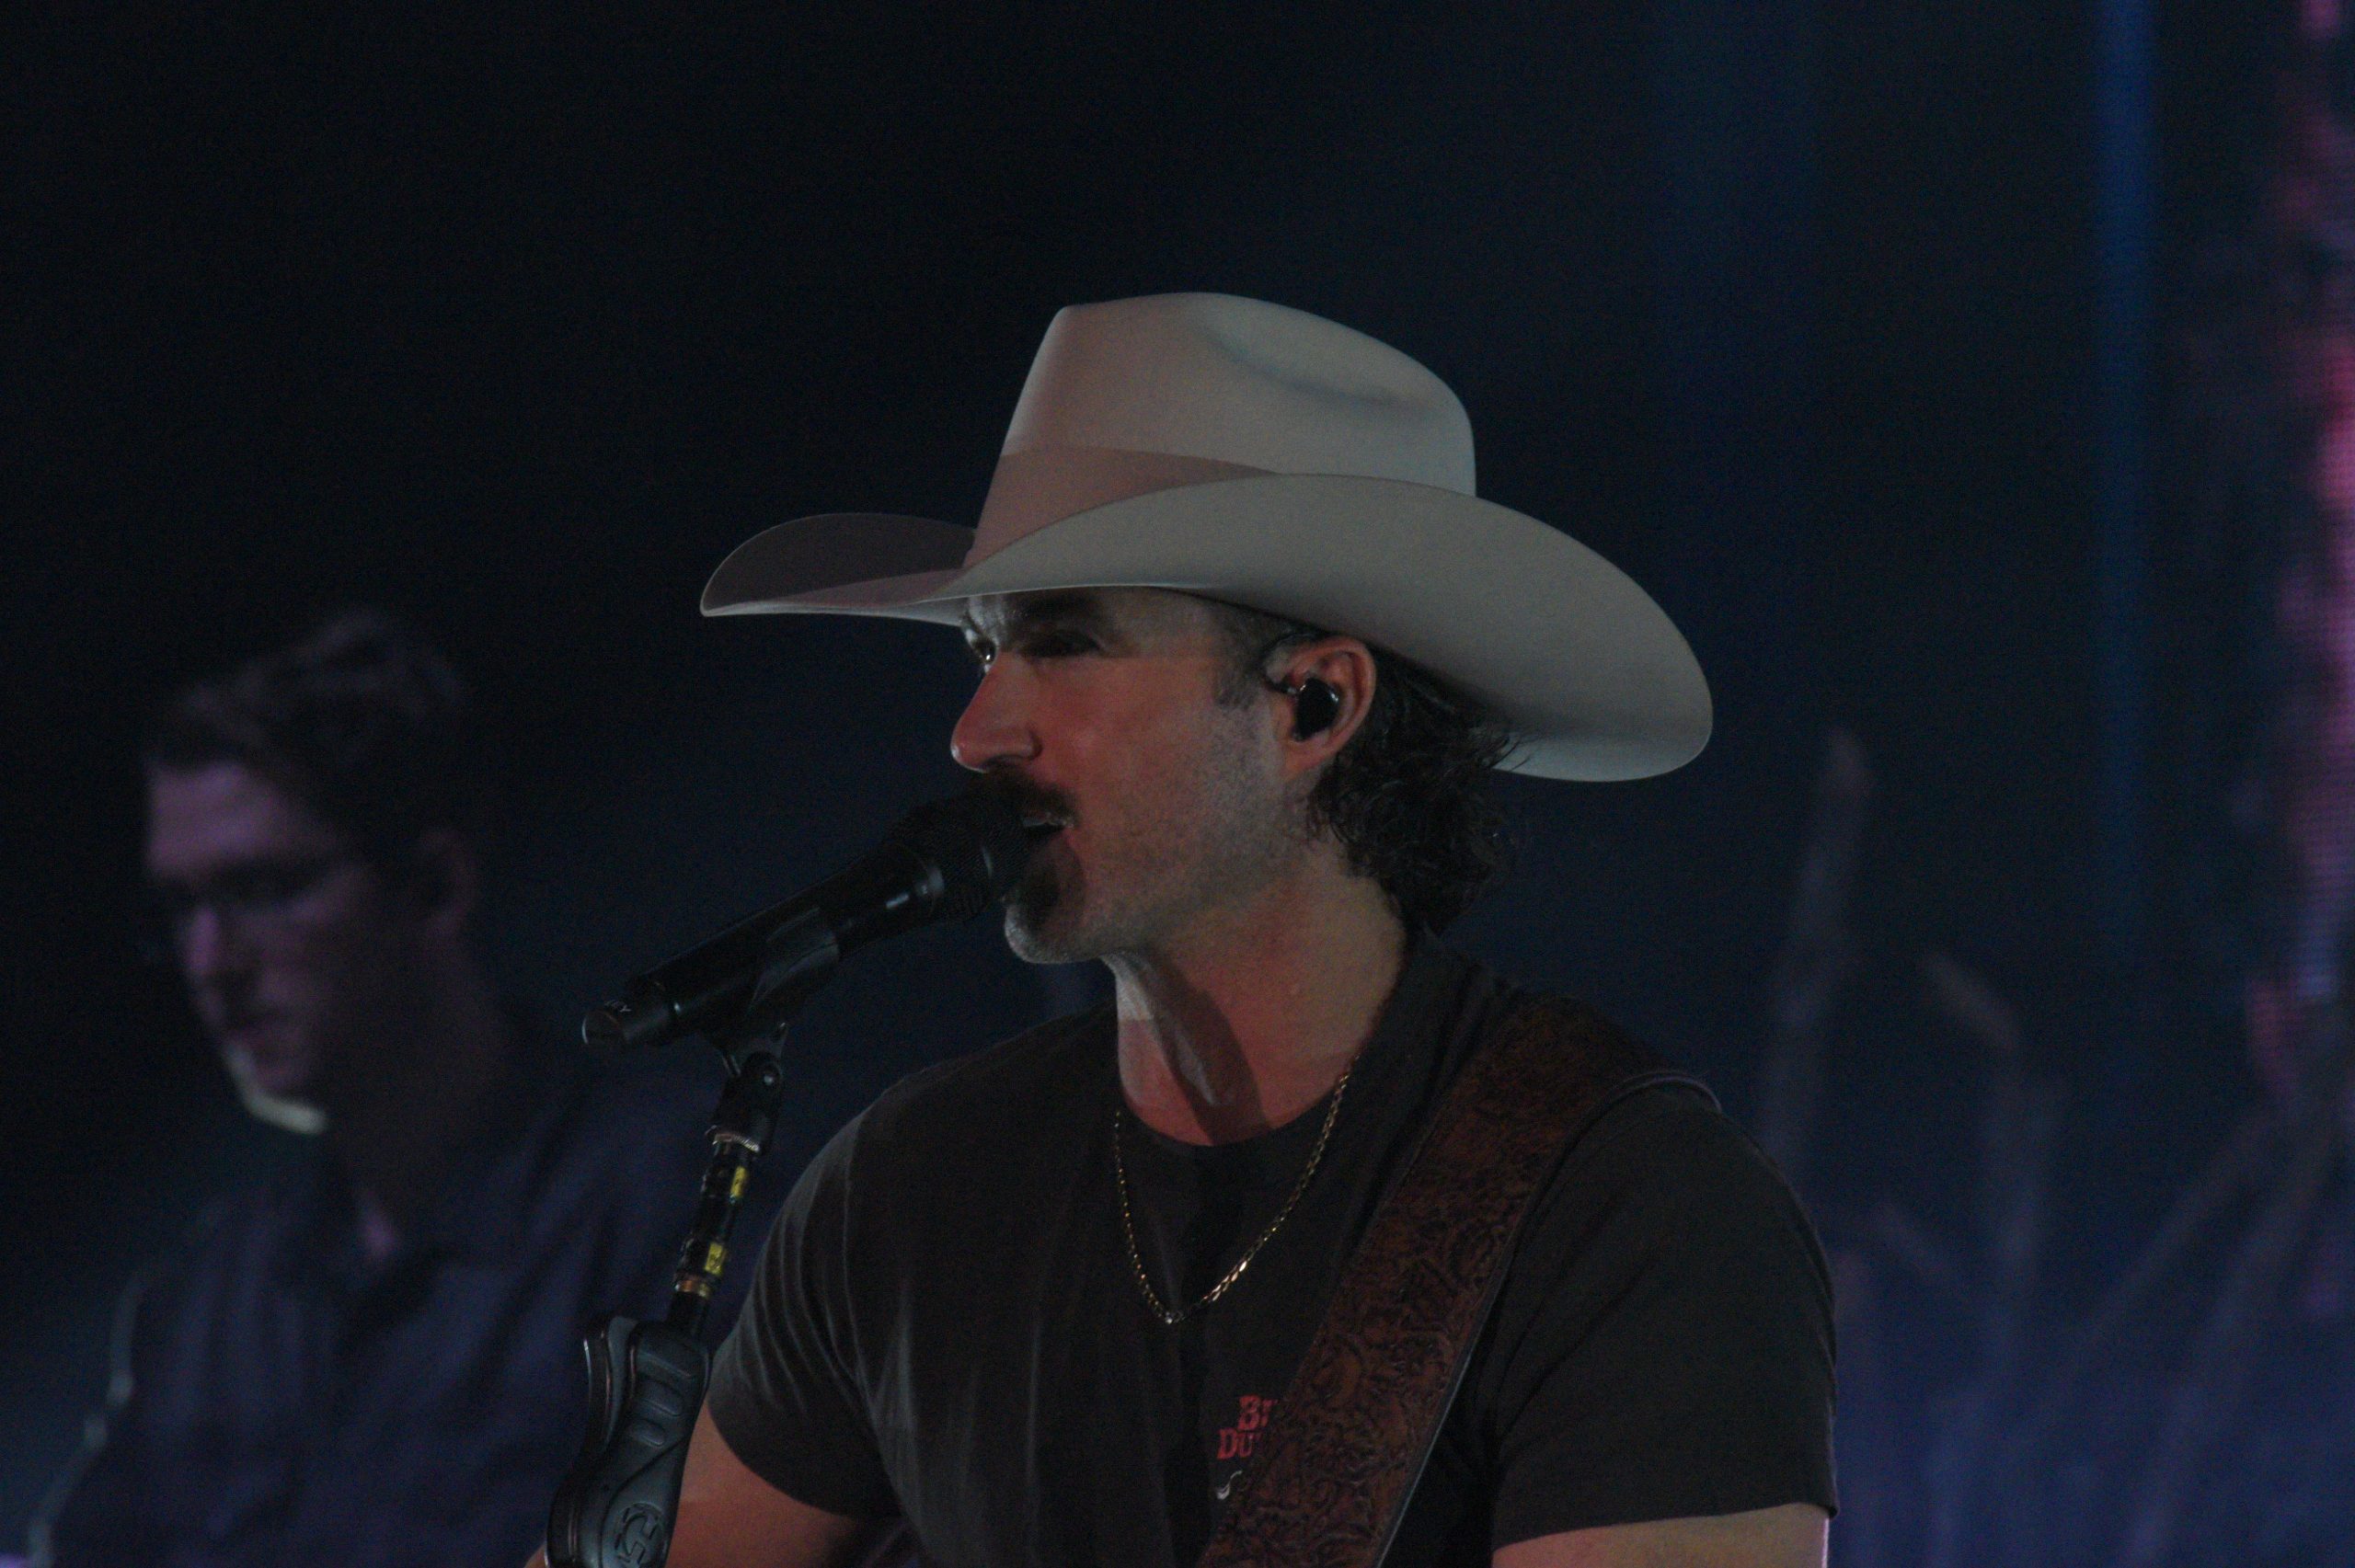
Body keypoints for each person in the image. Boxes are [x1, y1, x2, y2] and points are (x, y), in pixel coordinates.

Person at [638, 294, 1836, 1568]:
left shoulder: (1625, 1209)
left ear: (1314, 704)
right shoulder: (910, 1193)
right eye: (986, 651)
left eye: (1066, 645)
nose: (978, 731)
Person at [33, 611, 784, 1568]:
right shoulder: (211, 1298)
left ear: (432, 886)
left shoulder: (681, 1202)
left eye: (262, 888)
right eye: (180, 908)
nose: (207, 961)